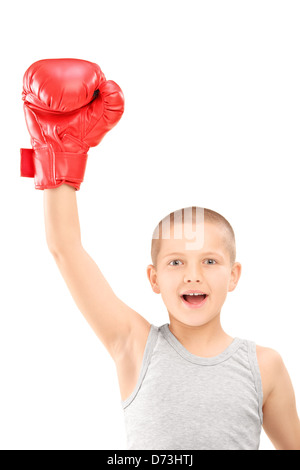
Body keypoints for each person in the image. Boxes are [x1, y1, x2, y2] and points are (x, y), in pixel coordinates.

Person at [21, 59, 300, 451]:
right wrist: (59, 152)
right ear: (153, 278)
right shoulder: (134, 345)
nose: (192, 275)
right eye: (175, 262)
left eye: (209, 261)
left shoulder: (265, 366)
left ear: (234, 274)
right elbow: (64, 247)